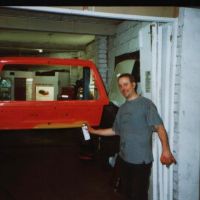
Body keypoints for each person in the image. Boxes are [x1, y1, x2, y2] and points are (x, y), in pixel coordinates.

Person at [87, 73, 176, 200]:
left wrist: (166, 151)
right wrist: (93, 131)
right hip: (124, 158)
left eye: (126, 84)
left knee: (138, 195)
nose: (123, 88)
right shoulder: (122, 108)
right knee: (126, 193)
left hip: (140, 161)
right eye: (120, 86)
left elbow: (160, 128)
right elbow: (114, 130)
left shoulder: (146, 104)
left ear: (133, 85)